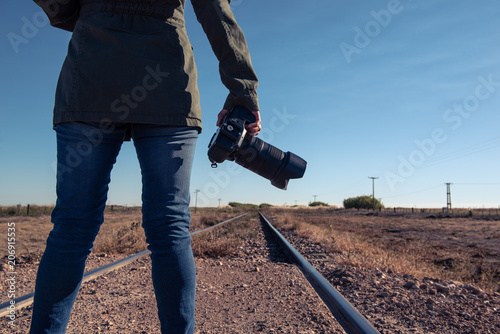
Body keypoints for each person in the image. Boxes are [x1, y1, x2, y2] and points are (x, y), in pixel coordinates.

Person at [30, 0, 261, 333]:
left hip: (92, 70)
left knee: (72, 227)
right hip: (167, 76)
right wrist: (244, 91)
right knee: (169, 227)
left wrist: (85, 13)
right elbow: (215, 10)